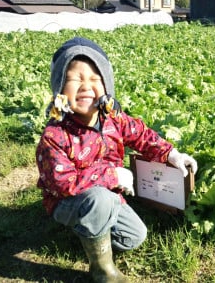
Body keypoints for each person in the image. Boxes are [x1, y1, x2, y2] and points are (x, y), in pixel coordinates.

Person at [35, 37, 198, 282]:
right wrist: (112, 176)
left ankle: (89, 230)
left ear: (107, 85)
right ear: (59, 88)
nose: (85, 87)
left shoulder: (114, 119)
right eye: (74, 79)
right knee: (99, 198)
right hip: (66, 202)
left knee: (134, 236)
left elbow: (142, 135)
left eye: (94, 79)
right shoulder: (55, 135)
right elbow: (62, 184)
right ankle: (103, 272)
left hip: (108, 196)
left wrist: (171, 154)